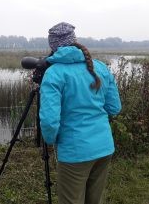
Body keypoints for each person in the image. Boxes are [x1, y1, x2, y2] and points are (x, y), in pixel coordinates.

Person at [39, 22, 121, 204]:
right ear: (75, 41)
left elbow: (50, 122)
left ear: (53, 46)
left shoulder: (54, 73)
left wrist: (52, 140)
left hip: (75, 152)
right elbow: (115, 108)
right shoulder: (100, 67)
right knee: (95, 199)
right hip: (105, 147)